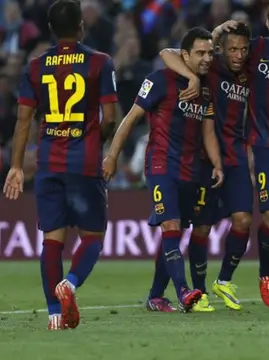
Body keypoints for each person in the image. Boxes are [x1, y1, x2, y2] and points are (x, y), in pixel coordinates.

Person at [165, 0, 269, 311]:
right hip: (266, 148)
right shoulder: (253, 50)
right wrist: (215, 34)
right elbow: (194, 51)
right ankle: (265, 274)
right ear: (267, 22)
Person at [3, 0, 118, 330]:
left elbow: (23, 122)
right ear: (81, 25)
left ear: (51, 30)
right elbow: (110, 117)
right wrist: (97, 140)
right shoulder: (100, 62)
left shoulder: (36, 66)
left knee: (52, 241)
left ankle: (54, 313)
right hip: (84, 164)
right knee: (93, 238)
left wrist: (15, 167)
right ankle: (69, 283)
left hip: (48, 165)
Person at [102, 27, 223, 313]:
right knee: (170, 226)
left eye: (209, 53)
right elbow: (131, 119)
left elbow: (208, 132)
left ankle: (156, 296)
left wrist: (217, 164)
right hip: (161, 165)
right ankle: (183, 292)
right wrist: (112, 155)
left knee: (175, 232)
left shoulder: (206, 87)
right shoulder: (159, 80)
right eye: (200, 53)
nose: (207, 58)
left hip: (192, 170)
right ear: (186, 55)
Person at [161, 24, 253, 311]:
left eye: (243, 49)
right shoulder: (210, 69)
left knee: (243, 220)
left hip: (235, 155)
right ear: (220, 50)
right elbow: (167, 53)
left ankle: (223, 281)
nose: (238, 55)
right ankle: (198, 291)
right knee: (201, 228)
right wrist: (192, 75)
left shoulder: (250, 73)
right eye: (232, 49)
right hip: (203, 156)